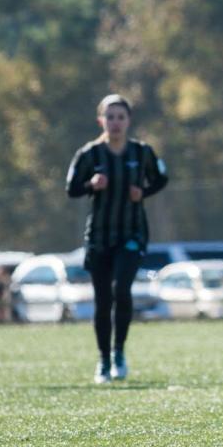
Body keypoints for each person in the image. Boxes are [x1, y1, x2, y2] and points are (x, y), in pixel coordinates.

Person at [66, 94, 168, 383]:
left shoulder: (142, 152)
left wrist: (143, 192)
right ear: (101, 121)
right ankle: (103, 360)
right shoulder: (89, 154)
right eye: (109, 117)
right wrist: (91, 184)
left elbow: (161, 178)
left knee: (122, 290)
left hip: (132, 234)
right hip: (99, 237)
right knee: (102, 298)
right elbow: (71, 188)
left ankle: (119, 353)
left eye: (120, 117)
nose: (115, 122)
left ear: (128, 121)